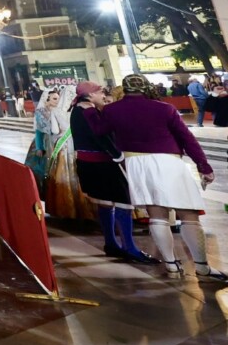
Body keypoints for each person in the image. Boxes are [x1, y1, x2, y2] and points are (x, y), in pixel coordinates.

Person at [84, 73, 224, 281]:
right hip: (168, 160)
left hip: (136, 164)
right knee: (188, 215)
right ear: (146, 87)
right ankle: (202, 267)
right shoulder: (164, 108)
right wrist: (203, 165)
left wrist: (89, 111)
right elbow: (186, 137)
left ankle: (171, 264)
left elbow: (99, 129)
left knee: (157, 214)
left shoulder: (112, 110)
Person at [69, 82, 157, 263]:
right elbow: (101, 136)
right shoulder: (89, 111)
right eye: (100, 92)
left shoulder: (78, 109)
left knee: (105, 203)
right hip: (102, 164)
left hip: (88, 164)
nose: (103, 95)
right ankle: (129, 248)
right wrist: (118, 156)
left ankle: (111, 244)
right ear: (90, 94)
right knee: (123, 202)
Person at [42, 87, 98, 222]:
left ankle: (67, 208)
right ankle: (88, 208)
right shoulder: (80, 110)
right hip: (79, 145)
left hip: (64, 146)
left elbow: (55, 131)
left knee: (64, 174)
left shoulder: (56, 111)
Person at [26, 90, 60, 187]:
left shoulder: (60, 110)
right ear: (47, 99)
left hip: (59, 140)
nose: (57, 101)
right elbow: (39, 131)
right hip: (46, 141)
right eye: (54, 99)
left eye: (58, 98)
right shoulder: (41, 112)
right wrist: (39, 147)